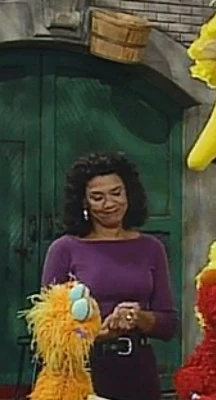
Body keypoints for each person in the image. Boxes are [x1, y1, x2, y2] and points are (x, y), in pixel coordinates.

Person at [41, 152, 178, 400]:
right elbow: (49, 333)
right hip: (84, 374)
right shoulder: (64, 249)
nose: (109, 204)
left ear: (129, 194)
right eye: (98, 197)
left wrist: (137, 317)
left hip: (139, 373)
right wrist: (102, 332)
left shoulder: (151, 248)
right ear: (84, 203)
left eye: (116, 193)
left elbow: (169, 325)